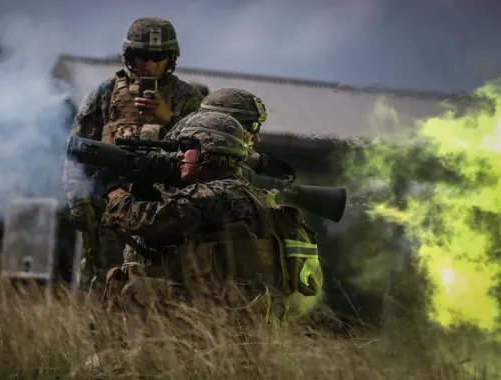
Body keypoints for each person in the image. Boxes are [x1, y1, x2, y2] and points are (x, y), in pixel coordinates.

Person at [97, 111, 322, 326]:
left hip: (226, 317)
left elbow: (149, 221)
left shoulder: (214, 194)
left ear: (210, 150)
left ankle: (145, 360)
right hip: (249, 313)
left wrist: (114, 192)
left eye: (187, 147)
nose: (178, 155)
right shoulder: (248, 191)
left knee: (137, 289)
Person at [62, 16, 203, 292]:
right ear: (129, 56)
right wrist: (78, 199)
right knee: (99, 283)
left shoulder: (187, 97)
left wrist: (170, 118)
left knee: (153, 286)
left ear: (170, 57)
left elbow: (201, 151)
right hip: (108, 208)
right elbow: (77, 148)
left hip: (160, 212)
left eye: (157, 56)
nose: (148, 64)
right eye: (140, 56)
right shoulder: (106, 93)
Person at [164, 88, 296, 181]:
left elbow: (286, 175)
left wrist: (257, 162)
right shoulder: (179, 162)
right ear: (225, 125)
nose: (256, 138)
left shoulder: (212, 155)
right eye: (253, 127)